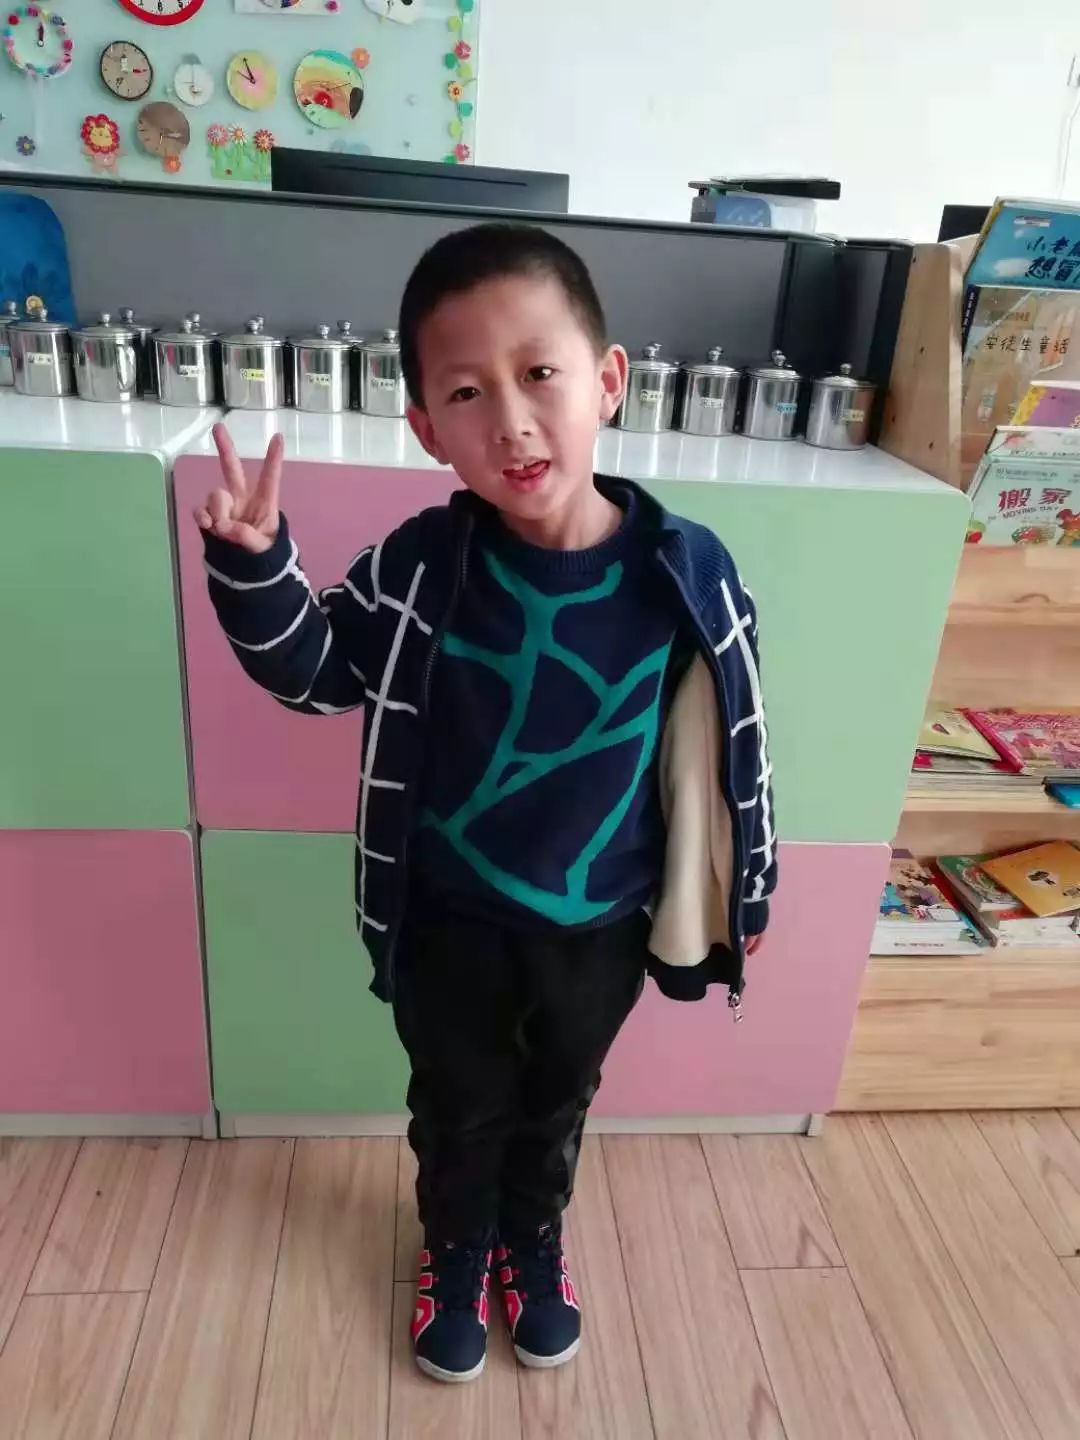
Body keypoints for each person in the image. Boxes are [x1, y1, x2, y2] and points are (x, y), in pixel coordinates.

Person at [195, 223, 776, 1385]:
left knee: (558, 1102)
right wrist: (257, 568)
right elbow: (321, 673)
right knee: (456, 1107)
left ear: (607, 380)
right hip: (448, 922)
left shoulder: (687, 570)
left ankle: (531, 1241)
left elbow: (735, 755)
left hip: (600, 927)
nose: (510, 419)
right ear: (425, 429)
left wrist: (745, 894)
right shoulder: (424, 562)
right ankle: (456, 1249)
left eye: (540, 372)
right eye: (467, 392)